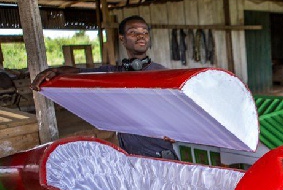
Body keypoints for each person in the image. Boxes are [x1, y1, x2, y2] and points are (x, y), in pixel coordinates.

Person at [31, 15, 178, 159]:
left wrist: (178, 130)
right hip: (129, 153)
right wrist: (54, 71)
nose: (141, 36)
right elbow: (80, 73)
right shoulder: (113, 73)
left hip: (160, 153)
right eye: (133, 32)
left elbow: (177, 110)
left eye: (145, 32)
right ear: (122, 39)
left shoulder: (162, 73)